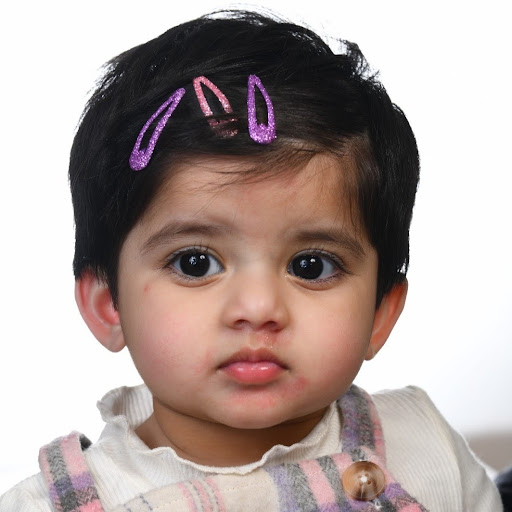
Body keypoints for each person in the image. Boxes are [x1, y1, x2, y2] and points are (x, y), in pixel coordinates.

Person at [0, 10, 502, 512]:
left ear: (380, 313)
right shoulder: (46, 505)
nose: (259, 308)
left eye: (311, 266)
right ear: (109, 304)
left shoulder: (428, 451)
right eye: (195, 263)